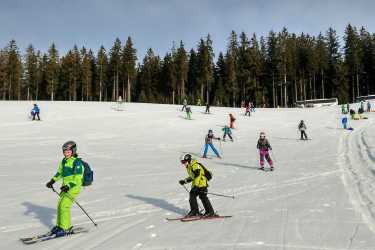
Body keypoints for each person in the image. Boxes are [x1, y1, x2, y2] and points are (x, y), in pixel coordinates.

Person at [45, 141, 84, 237]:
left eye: (68, 151)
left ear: (73, 151)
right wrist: (52, 181)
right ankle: (59, 226)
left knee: (64, 205)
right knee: (59, 205)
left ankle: (66, 228)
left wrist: (69, 186)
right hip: (65, 187)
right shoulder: (64, 161)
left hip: (74, 187)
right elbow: (60, 173)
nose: (66, 153)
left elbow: (78, 178)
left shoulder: (77, 162)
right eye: (64, 151)